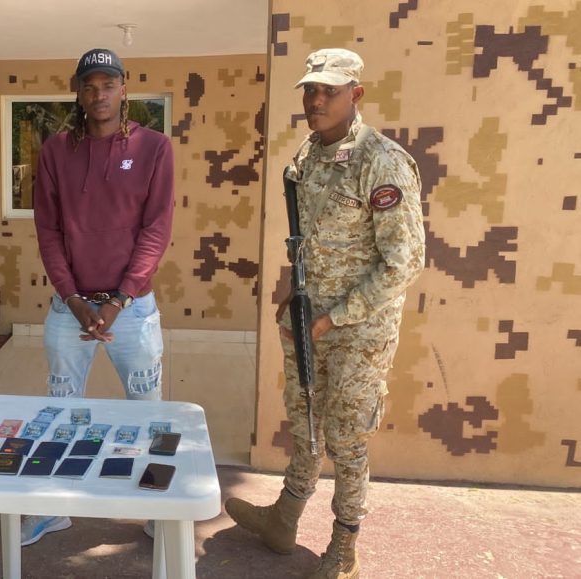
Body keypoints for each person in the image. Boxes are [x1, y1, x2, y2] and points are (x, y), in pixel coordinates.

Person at [225, 48, 425, 578]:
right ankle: (284, 518)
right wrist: (297, 295)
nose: (315, 100)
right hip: (307, 319)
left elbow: (405, 263)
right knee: (307, 423)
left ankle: (343, 546)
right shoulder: (310, 153)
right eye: (310, 90)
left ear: (355, 94)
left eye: (328, 91)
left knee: (347, 439)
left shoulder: (382, 161)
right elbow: (309, 238)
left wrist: (334, 317)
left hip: (360, 330)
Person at [26, 47, 175, 546]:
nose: (99, 95)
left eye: (108, 85)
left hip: (132, 310)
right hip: (69, 308)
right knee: (61, 410)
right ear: (78, 92)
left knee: (150, 410)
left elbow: (156, 230)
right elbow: (48, 232)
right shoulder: (55, 152)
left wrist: (118, 300)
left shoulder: (154, 148)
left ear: (123, 89)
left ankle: (158, 509)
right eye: (89, 86)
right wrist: (73, 300)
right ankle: (55, 508)